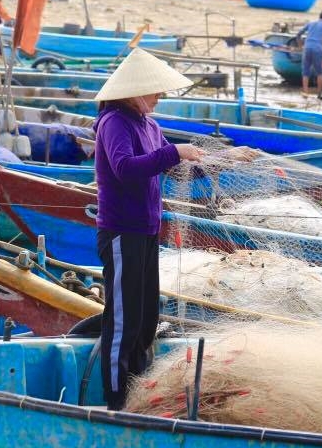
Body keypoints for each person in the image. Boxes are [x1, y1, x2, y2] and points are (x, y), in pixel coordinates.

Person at [92, 48, 206, 411]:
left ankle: (137, 392)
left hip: (146, 231)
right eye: (154, 90)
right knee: (123, 320)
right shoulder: (114, 122)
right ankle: (115, 399)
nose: (159, 97)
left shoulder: (150, 126)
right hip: (122, 232)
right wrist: (175, 153)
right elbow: (126, 167)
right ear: (134, 90)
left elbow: (165, 163)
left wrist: (219, 160)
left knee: (145, 318)